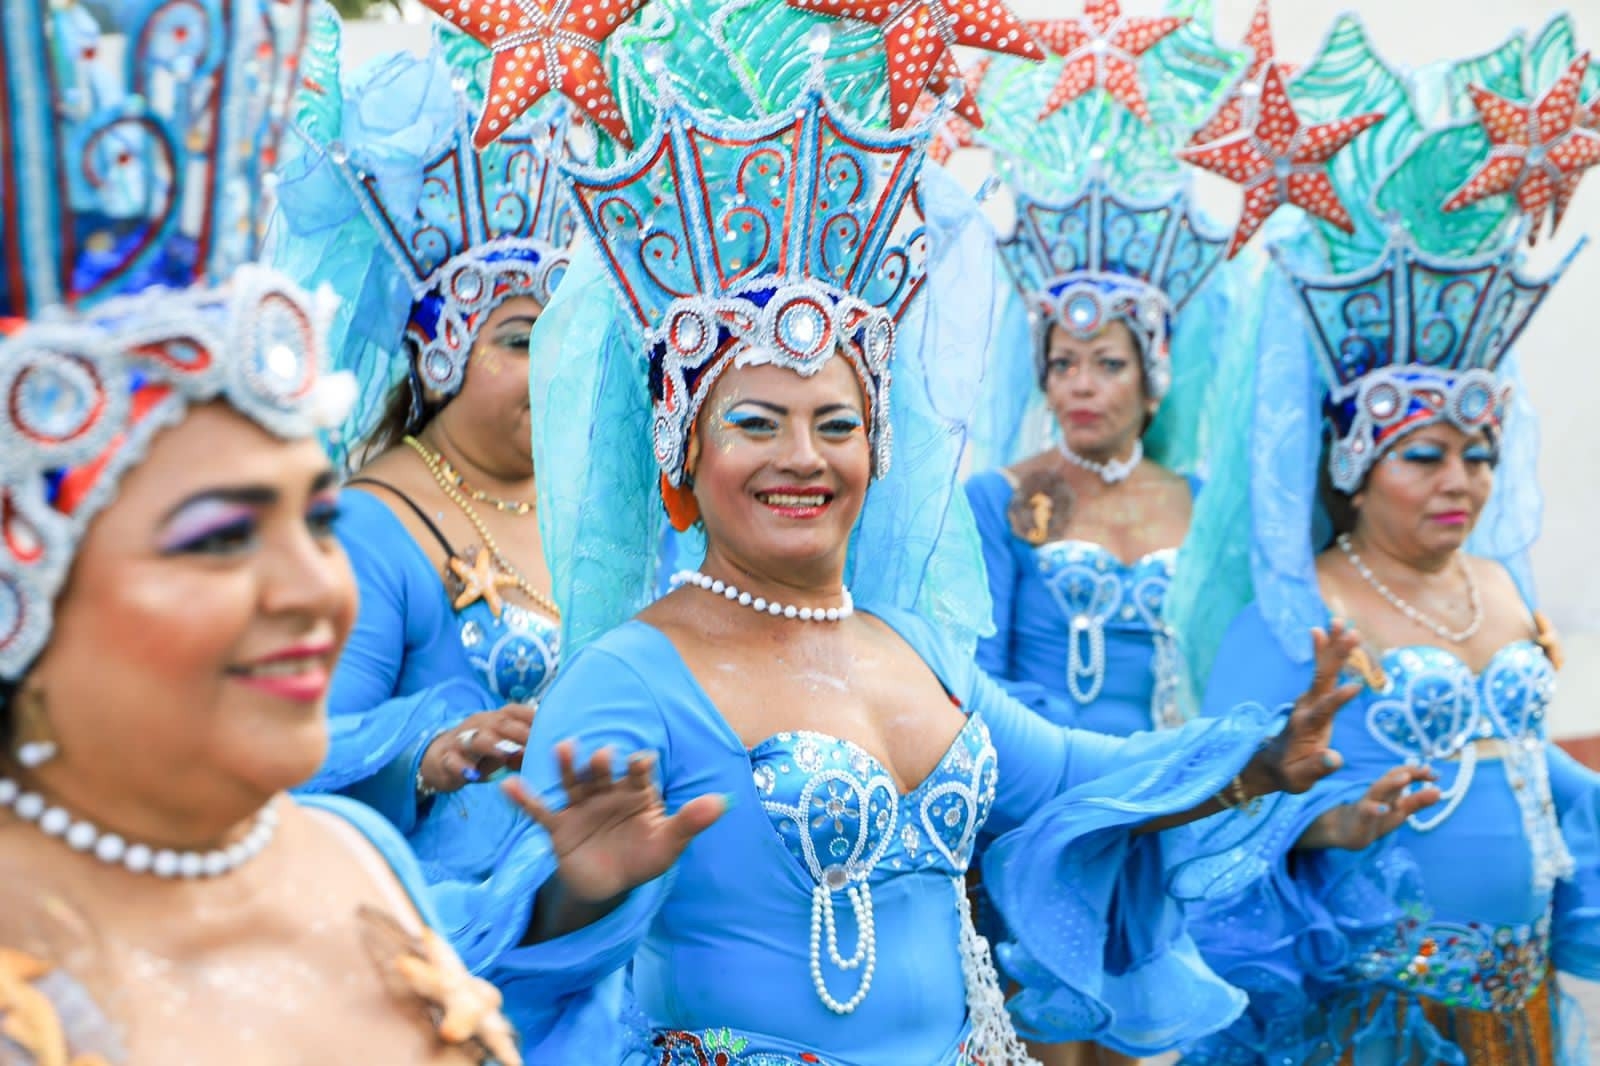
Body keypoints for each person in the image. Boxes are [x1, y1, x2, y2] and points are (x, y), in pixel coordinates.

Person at [417, 2, 1429, 1062]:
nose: (802, 457)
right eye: (755, 423)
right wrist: (577, 895)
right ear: (682, 456)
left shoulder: (914, 647)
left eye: (836, 423)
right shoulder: (629, 674)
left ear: (877, 449)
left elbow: (1090, 775)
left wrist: (1260, 757)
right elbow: (501, 966)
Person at [0, 2, 520, 1062]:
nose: (317, 590)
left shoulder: (362, 866)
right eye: (218, 540)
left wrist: (577, 894)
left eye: (318, 519)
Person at [1168, 16, 1600, 1064]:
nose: (1462, 480)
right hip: (1363, 1019)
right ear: (1354, 471)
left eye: (1479, 452)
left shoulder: (1500, 587)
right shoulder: (1291, 611)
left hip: (1514, 1003)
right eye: (1425, 455)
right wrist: (1326, 825)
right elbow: (1214, 816)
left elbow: (1538, 779)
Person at [271, 22, 580, 888]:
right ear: (441, 353)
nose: (555, 366)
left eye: (570, 336)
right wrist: (427, 753)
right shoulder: (368, 529)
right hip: (451, 941)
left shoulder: (599, 509)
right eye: (522, 340)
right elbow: (294, 760)